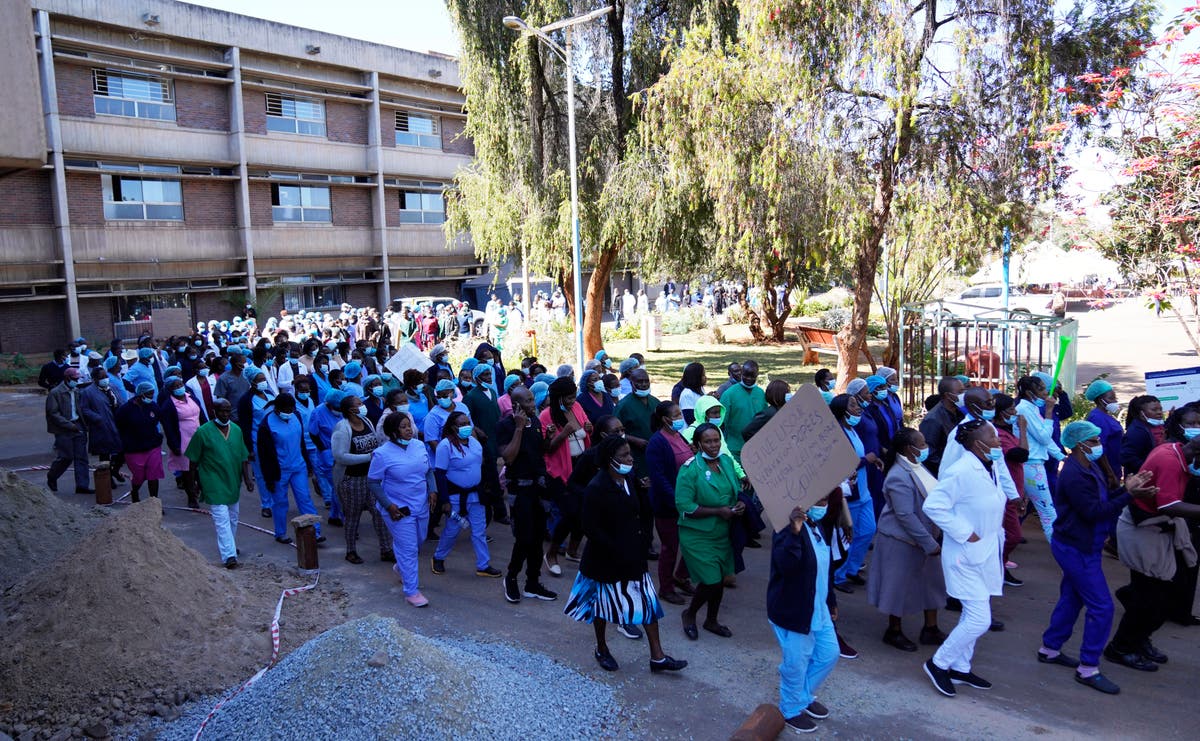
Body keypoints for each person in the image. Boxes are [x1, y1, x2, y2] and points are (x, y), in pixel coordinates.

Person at [1037, 421, 1157, 694]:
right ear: (1081, 444)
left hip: (1081, 545)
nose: (1099, 444)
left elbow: (1102, 500)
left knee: (1072, 598)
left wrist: (1130, 491)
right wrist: (1128, 495)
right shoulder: (1076, 473)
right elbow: (1093, 512)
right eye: (1094, 440)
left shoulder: (1087, 467)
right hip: (1076, 548)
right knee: (1102, 608)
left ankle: (1050, 648)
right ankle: (1088, 668)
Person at [565, 434, 688, 674]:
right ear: (610, 460)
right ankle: (601, 648)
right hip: (605, 560)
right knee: (600, 607)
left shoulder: (629, 479)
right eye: (624, 455)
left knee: (647, 604)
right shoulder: (596, 488)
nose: (629, 458)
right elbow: (590, 527)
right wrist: (616, 548)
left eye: (629, 454)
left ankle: (658, 657)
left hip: (633, 556)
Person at [921, 420, 1007, 698]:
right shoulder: (960, 472)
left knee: (974, 614)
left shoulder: (989, 466)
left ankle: (960, 666)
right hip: (965, 555)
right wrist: (964, 532)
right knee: (980, 619)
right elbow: (933, 506)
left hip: (985, 552)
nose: (998, 441)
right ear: (977, 444)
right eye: (992, 437)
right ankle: (938, 663)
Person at [1106, 437, 1200, 671]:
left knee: (1163, 593)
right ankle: (1120, 648)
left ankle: (1138, 638)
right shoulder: (1170, 461)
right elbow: (1169, 506)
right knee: (1150, 599)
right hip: (1145, 529)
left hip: (1155, 527)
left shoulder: (1174, 450)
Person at [869, 428, 947, 652]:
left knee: (931, 584)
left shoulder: (917, 467)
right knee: (898, 587)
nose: (925, 448)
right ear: (908, 449)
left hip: (926, 536)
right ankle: (893, 631)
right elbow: (905, 516)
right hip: (902, 540)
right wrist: (928, 543)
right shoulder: (898, 476)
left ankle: (930, 628)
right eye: (921, 444)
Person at [768, 499, 840, 735]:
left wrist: (831, 601)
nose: (824, 504)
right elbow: (786, 566)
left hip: (818, 607)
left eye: (826, 500)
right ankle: (789, 709)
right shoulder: (785, 528)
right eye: (819, 501)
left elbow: (824, 568)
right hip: (794, 610)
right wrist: (795, 531)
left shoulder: (819, 527)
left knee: (829, 653)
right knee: (795, 663)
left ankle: (802, 696)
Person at [676, 422, 744, 640]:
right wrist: (717, 511)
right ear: (697, 444)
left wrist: (739, 505)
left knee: (720, 578)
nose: (714, 445)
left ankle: (711, 620)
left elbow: (735, 490)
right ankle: (690, 614)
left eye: (716, 440)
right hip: (697, 534)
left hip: (722, 532)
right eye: (708, 441)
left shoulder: (725, 461)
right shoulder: (689, 470)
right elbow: (684, 505)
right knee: (711, 580)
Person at [497, 385, 557, 603]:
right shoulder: (506, 425)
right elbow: (509, 458)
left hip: (538, 487)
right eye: (529, 401)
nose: (533, 404)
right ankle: (511, 577)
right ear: (516, 405)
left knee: (538, 536)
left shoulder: (537, 422)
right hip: (519, 489)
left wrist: (548, 438)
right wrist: (519, 428)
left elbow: (541, 451)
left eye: (533, 400)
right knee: (524, 537)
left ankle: (533, 582)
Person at [369, 412, 435, 607]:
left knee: (419, 541)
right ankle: (411, 591)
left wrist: (433, 490)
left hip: (421, 504)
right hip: (398, 509)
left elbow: (428, 470)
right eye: (404, 426)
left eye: (410, 425)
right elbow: (373, 482)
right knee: (409, 549)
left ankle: (402, 568)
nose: (409, 429)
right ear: (392, 431)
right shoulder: (382, 454)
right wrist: (388, 504)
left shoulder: (418, 445)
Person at [430, 411, 502, 577]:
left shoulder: (475, 443)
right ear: (453, 427)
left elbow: (480, 465)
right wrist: (445, 501)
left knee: (479, 531)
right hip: (455, 498)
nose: (466, 427)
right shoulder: (445, 446)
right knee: (453, 529)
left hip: (476, 496)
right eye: (461, 424)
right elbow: (440, 474)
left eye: (467, 423)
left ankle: (483, 565)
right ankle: (438, 557)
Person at [185, 399, 253, 569]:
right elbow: (193, 460)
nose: (225, 414)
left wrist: (247, 478)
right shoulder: (203, 432)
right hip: (213, 481)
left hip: (232, 480)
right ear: (214, 411)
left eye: (228, 411)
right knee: (221, 519)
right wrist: (192, 483)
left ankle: (230, 545)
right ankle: (229, 556)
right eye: (221, 411)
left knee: (233, 517)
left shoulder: (236, 430)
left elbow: (243, 457)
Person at [646, 401, 696, 605]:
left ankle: (681, 576)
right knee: (670, 547)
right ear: (665, 419)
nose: (679, 418)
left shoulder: (679, 435)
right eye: (675, 416)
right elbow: (658, 478)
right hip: (668, 504)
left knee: (692, 542)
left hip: (686, 500)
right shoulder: (657, 443)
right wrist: (677, 499)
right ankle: (666, 588)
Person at [332, 394, 391, 565]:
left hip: (371, 478)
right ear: (351, 410)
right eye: (359, 404)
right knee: (353, 516)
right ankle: (351, 550)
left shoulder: (366, 422)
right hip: (352, 480)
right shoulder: (342, 429)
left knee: (379, 513)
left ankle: (386, 549)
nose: (362, 405)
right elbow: (340, 456)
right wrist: (368, 457)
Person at [829, 394, 879, 593]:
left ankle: (852, 567)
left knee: (868, 530)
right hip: (851, 494)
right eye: (853, 405)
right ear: (842, 410)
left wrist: (871, 460)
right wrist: (867, 459)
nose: (858, 408)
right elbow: (842, 464)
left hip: (864, 491)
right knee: (847, 536)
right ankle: (839, 575)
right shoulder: (838, 434)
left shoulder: (852, 429)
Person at [257, 393, 323, 545]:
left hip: (298, 466)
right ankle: (280, 533)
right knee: (280, 502)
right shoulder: (266, 425)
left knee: (305, 498)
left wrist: (307, 462)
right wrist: (269, 479)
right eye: (286, 409)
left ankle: (315, 531)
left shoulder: (296, 416)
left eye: (291, 409)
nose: (289, 412)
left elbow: (301, 443)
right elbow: (264, 455)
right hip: (279, 471)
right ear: (277, 409)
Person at [1015, 374, 1066, 542]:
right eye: (1042, 389)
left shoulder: (1032, 408)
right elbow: (1044, 437)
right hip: (1031, 465)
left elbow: (1045, 441)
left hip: (1035, 464)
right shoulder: (1024, 409)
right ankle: (1061, 551)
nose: (1047, 392)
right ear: (1030, 393)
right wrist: (1050, 412)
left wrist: (1061, 457)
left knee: (1041, 509)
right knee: (1048, 512)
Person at [159, 376, 206, 507]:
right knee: (188, 470)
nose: (180, 387)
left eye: (181, 384)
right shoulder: (168, 405)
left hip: (198, 436)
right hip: (183, 440)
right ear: (170, 389)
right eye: (176, 386)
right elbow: (168, 428)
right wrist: (174, 445)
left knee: (201, 466)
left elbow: (201, 415)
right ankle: (191, 496)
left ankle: (201, 489)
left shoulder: (191, 397)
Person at [44, 367, 91, 495]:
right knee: (66, 456)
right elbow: (53, 413)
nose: (76, 381)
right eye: (74, 379)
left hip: (78, 426)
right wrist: (68, 425)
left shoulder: (76, 391)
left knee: (81, 457)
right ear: (67, 379)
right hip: (63, 428)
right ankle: (52, 476)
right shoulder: (55, 393)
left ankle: (82, 485)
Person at [115, 381, 164, 503]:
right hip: (134, 448)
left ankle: (154, 502)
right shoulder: (125, 410)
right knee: (139, 477)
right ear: (140, 394)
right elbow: (119, 427)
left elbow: (158, 420)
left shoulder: (153, 407)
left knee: (153, 475)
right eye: (149, 394)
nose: (151, 397)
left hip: (152, 446)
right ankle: (135, 493)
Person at [79, 367, 124, 485]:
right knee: (105, 454)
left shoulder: (111, 388)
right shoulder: (88, 392)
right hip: (102, 426)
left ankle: (115, 470)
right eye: (101, 377)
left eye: (106, 376)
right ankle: (108, 478)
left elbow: (120, 402)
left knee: (123, 451)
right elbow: (84, 409)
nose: (105, 379)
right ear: (94, 379)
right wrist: (97, 418)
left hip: (117, 422)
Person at [720, 360, 766, 464]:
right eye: (746, 375)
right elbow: (721, 423)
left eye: (752, 376)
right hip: (735, 449)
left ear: (757, 375)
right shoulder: (729, 394)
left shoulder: (760, 393)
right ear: (741, 374)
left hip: (757, 449)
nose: (748, 379)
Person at [919, 376, 966, 476]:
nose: (964, 395)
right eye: (960, 392)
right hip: (944, 472)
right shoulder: (933, 419)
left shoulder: (959, 412)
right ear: (948, 395)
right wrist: (949, 467)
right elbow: (929, 453)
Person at [1084, 379, 1124, 479]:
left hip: (1114, 465)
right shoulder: (1097, 418)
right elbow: (1100, 448)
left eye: (1115, 398)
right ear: (1100, 400)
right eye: (1111, 398)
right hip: (1105, 471)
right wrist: (1109, 473)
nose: (1115, 401)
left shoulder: (1105, 415)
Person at [1121, 395, 1163, 476]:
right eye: (1154, 410)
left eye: (1160, 409)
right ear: (1141, 413)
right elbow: (1127, 457)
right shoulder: (1137, 432)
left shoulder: (1154, 426)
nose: (1159, 412)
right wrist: (1150, 469)